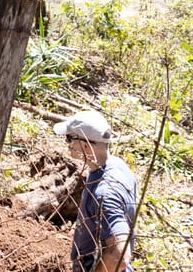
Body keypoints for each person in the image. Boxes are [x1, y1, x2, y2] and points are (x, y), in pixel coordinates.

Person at [54, 110, 137, 272]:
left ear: (85, 145)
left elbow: (119, 255)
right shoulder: (118, 166)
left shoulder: (104, 193)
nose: (67, 143)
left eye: (70, 138)